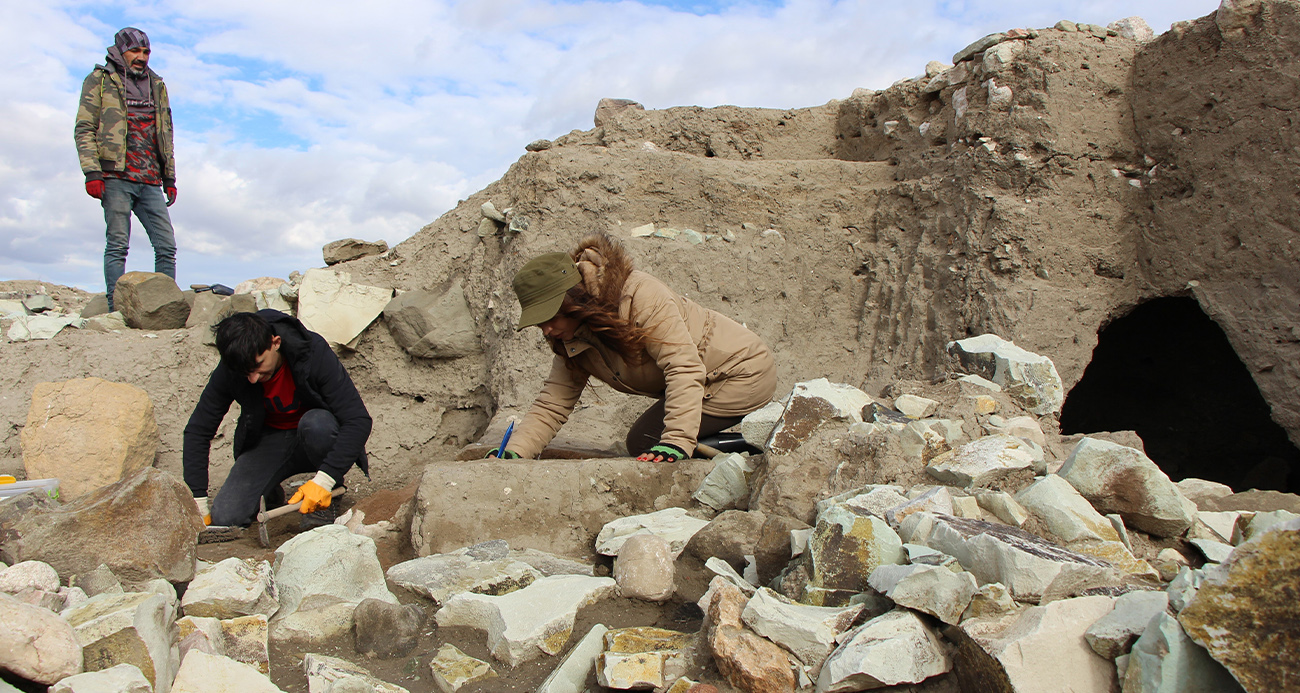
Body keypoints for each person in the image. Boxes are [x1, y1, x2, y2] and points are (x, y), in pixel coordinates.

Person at [494, 233, 777, 462]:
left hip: (741, 372)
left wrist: (677, 442)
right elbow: (552, 402)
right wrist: (516, 451)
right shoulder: (572, 338)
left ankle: (749, 448)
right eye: (538, 322)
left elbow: (683, 367)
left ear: (572, 302)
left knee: (659, 443)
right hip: (703, 377)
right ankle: (726, 447)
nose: (545, 330)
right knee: (642, 442)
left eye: (549, 317)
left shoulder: (640, 297)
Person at [183, 310, 372, 528]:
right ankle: (268, 493)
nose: (253, 379)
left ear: (275, 343)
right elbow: (198, 430)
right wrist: (197, 500)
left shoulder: (312, 351)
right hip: (270, 441)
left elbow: (358, 419)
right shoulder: (235, 366)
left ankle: (327, 495)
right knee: (227, 516)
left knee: (317, 424)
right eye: (246, 373)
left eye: (258, 365)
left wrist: (324, 481)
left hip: (315, 435)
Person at [74, 27, 178, 310]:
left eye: (146, 52)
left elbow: (166, 131)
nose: (141, 57)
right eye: (135, 51)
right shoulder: (100, 80)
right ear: (120, 51)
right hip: (114, 176)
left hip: (150, 179)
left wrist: (169, 176)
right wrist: (92, 173)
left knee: (166, 247)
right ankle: (115, 308)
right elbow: (84, 128)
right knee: (118, 245)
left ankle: (166, 306)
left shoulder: (157, 84)